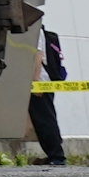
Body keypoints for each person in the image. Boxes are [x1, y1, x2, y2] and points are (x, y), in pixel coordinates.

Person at [26, 23, 70, 167]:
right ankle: (54, 154)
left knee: (45, 119)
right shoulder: (38, 30)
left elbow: (37, 55)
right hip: (42, 81)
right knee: (43, 118)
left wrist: (35, 82)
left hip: (40, 81)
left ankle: (57, 155)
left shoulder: (36, 31)